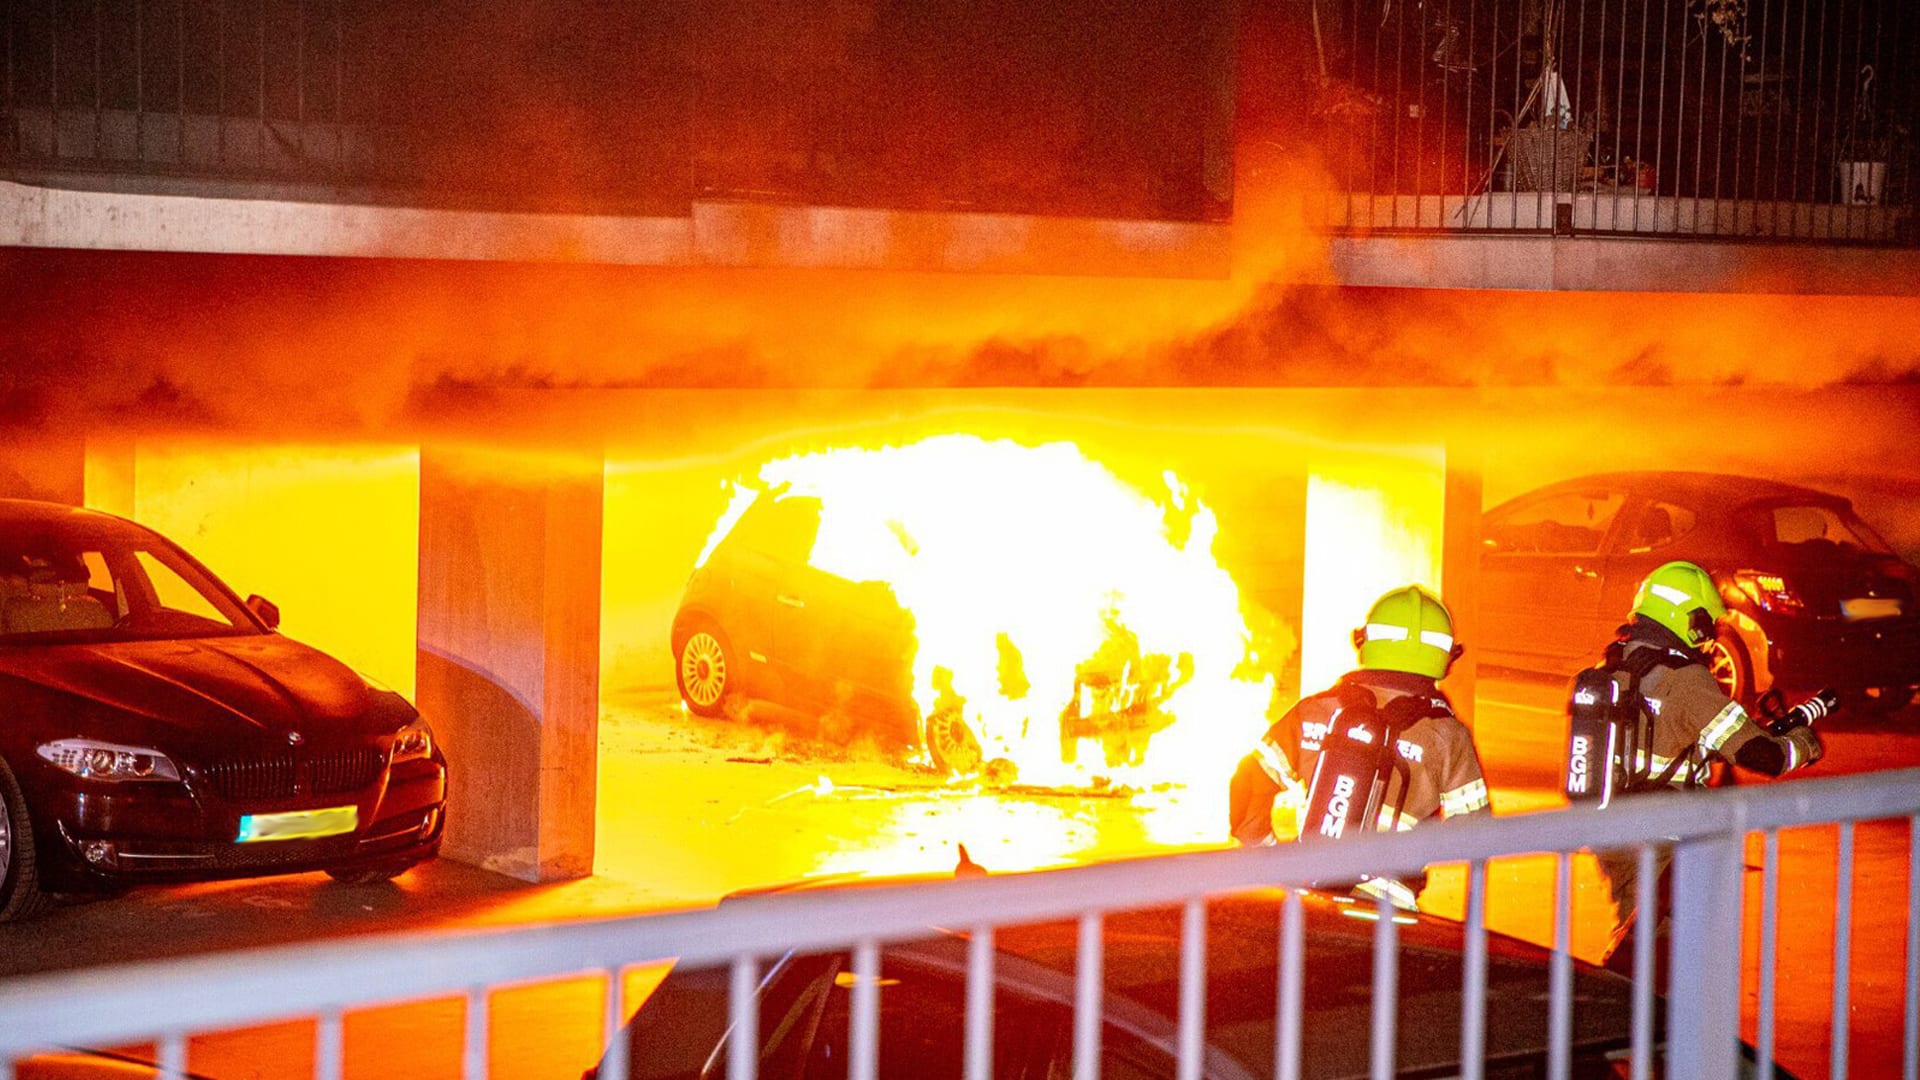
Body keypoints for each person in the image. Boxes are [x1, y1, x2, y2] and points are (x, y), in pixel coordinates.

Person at [1581, 560, 1825, 958]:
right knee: (1662, 956)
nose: (1709, 639)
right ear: (1689, 620)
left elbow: (1663, 736)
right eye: (1707, 626)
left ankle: (1640, 1010)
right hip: (1662, 838)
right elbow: (1763, 756)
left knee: (1639, 939)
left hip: (1613, 835)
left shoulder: (1612, 666)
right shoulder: (1685, 679)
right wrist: (1804, 743)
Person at [1228, 585, 1490, 908]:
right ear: (1446, 657)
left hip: (1308, 903)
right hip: (1388, 915)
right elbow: (1475, 838)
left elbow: (1248, 784)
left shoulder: (1317, 709)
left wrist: (1270, 859)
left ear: (1366, 642)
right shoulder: (1447, 736)